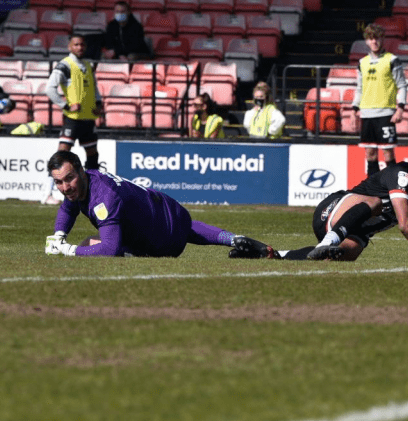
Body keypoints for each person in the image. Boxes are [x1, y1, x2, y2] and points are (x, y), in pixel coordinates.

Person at [230, 139, 408, 265]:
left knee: (345, 255)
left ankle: (271, 254)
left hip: (355, 231)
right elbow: (406, 225)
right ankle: (328, 241)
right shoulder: (401, 173)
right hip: (332, 211)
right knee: (375, 203)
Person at [44, 150, 255, 257]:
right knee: (184, 228)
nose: (64, 187)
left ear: (81, 171)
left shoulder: (103, 198)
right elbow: (68, 208)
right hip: (172, 210)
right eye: (58, 182)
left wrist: (67, 249)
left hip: (161, 243)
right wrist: (59, 235)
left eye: (68, 179)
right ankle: (234, 239)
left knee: (89, 245)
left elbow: (109, 248)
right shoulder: (87, 179)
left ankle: (134, 254)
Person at [43, 33, 103, 205]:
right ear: (70, 47)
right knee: (62, 155)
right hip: (72, 118)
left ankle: (93, 191)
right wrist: (66, 105)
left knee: (93, 155)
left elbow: (95, 87)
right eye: (76, 45)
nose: (79, 48)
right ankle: (48, 193)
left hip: (88, 118)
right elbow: (50, 89)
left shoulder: (88, 65)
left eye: (82, 45)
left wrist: (98, 103)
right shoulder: (64, 65)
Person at [351, 24, 407, 177]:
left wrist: (400, 109)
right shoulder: (362, 63)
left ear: (383, 39)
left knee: (388, 153)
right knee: (370, 153)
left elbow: (402, 85)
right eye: (370, 39)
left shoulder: (392, 60)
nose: (374, 42)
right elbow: (359, 88)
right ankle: (373, 191)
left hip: (386, 113)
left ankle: (393, 189)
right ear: (366, 41)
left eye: (377, 38)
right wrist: (354, 110)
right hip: (367, 113)